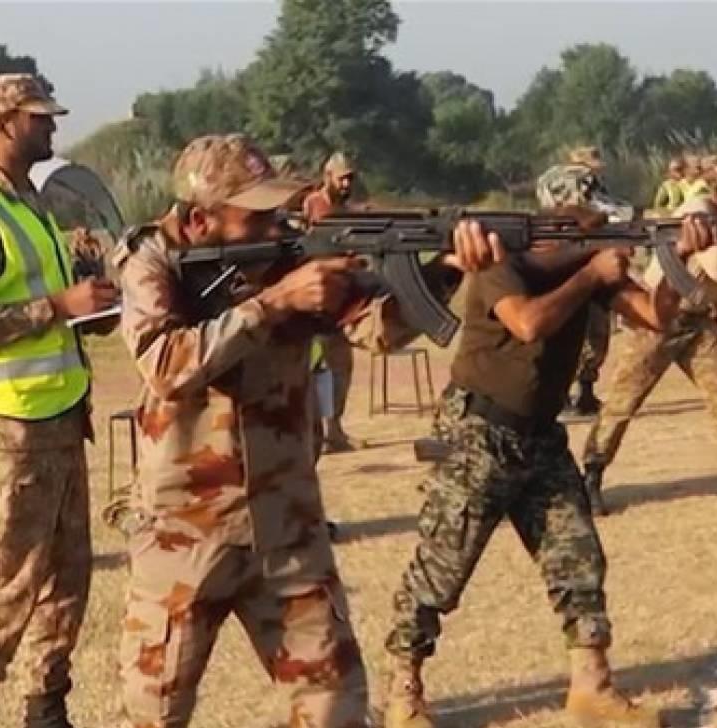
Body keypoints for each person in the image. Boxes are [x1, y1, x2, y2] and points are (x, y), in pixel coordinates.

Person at [114, 133, 502, 728]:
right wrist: (273, 303)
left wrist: (445, 270)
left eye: (279, 211)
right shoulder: (152, 260)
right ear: (198, 221)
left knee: (336, 710)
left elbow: (379, 331)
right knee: (154, 714)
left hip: (286, 524)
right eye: (259, 215)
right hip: (184, 531)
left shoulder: (290, 255)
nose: (277, 227)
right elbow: (166, 366)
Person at [380, 170, 715, 728]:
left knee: (578, 557)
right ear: (561, 216)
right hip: (478, 432)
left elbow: (656, 317)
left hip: (540, 434)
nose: (602, 227)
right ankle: (403, 696)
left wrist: (678, 257)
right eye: (590, 217)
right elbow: (528, 323)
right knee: (442, 569)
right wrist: (590, 276)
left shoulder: (588, 263)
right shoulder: (496, 256)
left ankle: (592, 688)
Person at [0, 73, 120, 728]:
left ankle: (47, 710)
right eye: (41, 118)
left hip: (63, 419)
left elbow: (56, 311)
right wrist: (57, 307)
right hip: (8, 429)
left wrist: (93, 309)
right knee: (5, 583)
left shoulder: (35, 209)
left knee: (68, 581)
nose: (52, 127)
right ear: (5, 123)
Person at [579, 158, 717, 517]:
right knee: (621, 403)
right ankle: (591, 478)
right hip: (657, 320)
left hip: (696, 321)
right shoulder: (697, 212)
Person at [536, 148, 633, 417]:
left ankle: (561, 394)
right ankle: (585, 392)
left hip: (554, 255)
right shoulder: (586, 180)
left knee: (559, 324)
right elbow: (609, 211)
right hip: (587, 252)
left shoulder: (548, 179)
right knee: (595, 327)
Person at [303, 152, 365, 451]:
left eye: (351, 178)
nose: (347, 183)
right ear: (328, 176)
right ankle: (319, 431)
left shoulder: (344, 209)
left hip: (339, 301)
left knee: (340, 364)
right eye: (342, 177)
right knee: (315, 366)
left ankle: (334, 429)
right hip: (314, 298)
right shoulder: (316, 206)